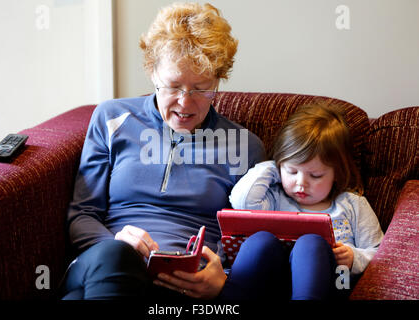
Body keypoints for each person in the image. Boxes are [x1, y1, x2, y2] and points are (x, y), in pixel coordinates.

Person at [61, 2, 278, 300]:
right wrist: (115, 240)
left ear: (218, 81)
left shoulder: (245, 146)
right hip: (104, 260)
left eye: (201, 89)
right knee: (116, 257)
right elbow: (82, 215)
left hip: (183, 282)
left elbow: (247, 236)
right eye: (173, 86)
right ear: (152, 73)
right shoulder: (111, 118)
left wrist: (223, 279)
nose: (185, 104)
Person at [229, 103, 384, 299]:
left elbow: (381, 253)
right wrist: (273, 168)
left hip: (338, 282)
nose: (301, 184)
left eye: (316, 175)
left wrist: (354, 258)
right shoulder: (274, 198)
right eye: (292, 171)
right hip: (277, 284)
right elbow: (241, 202)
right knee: (260, 241)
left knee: (310, 244)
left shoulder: (353, 204)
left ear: (337, 172)